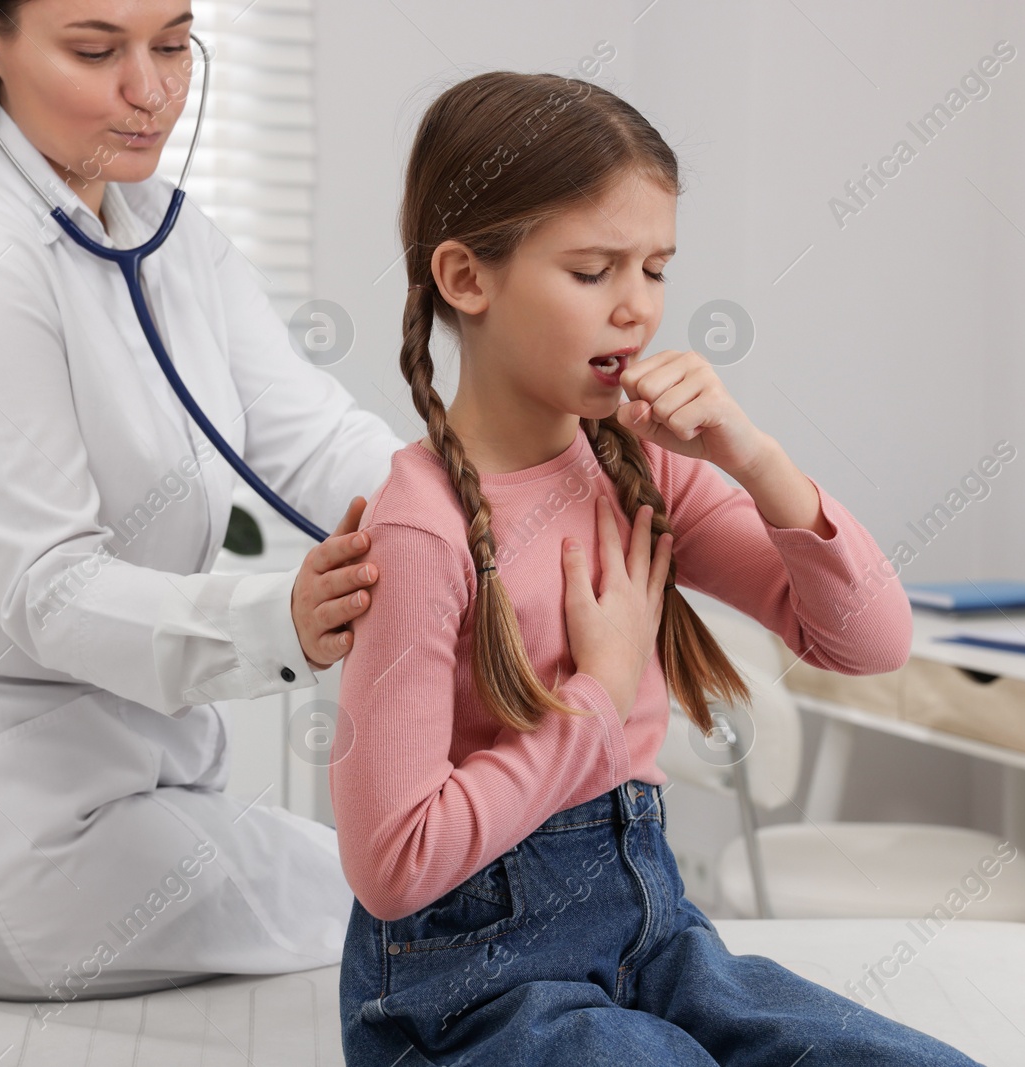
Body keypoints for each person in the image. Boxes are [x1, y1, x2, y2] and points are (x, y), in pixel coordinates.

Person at [328, 72, 985, 1065]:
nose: (636, 309)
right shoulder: (419, 529)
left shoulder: (644, 467)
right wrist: (595, 694)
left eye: (656, 268)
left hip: (653, 940)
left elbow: (869, 640)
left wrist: (752, 454)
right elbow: (394, 861)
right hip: (464, 988)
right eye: (593, 271)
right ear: (468, 278)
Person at [0, 0, 401, 1000]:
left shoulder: (173, 240)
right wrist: (285, 617)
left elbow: (314, 436)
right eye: (97, 50)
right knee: (425, 908)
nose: (150, 91)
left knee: (429, 899)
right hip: (11, 832)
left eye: (175, 45)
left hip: (145, 791)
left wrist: (476, 518)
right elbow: (50, 587)